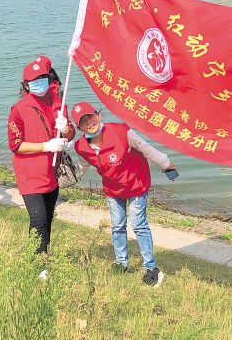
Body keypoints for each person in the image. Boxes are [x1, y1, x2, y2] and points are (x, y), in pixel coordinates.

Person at [72, 101, 176, 287]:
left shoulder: (122, 131)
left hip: (136, 184)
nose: (89, 122)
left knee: (138, 224)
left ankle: (151, 268)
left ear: (99, 115)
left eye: (90, 116)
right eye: (83, 121)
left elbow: (146, 148)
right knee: (117, 225)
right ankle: (121, 262)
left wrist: (165, 164)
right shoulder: (81, 147)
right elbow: (81, 168)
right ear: (79, 128)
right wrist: (62, 180)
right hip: (113, 189)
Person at [7, 57, 75, 264]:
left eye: (43, 79)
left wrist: (65, 131)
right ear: (26, 85)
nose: (40, 84)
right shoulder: (19, 109)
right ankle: (37, 261)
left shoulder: (58, 103)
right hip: (29, 173)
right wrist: (46, 146)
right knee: (37, 218)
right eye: (34, 81)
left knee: (48, 217)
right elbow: (16, 145)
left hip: (52, 171)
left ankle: (44, 254)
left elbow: (70, 133)